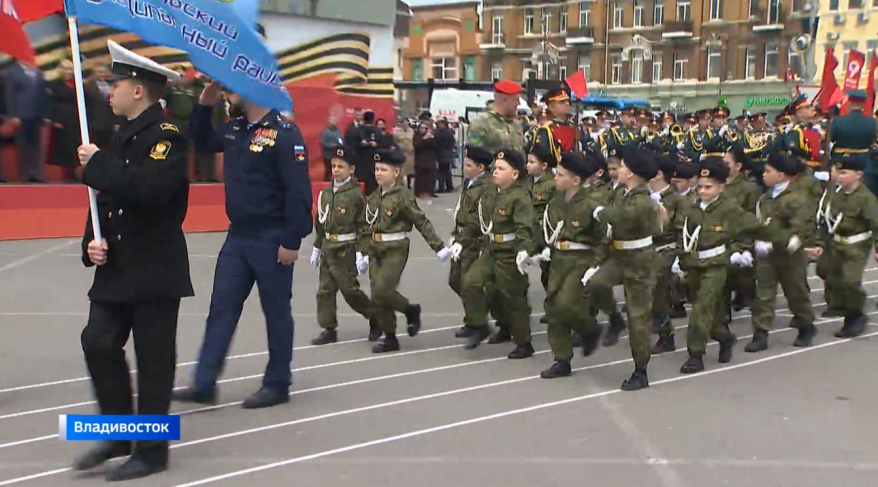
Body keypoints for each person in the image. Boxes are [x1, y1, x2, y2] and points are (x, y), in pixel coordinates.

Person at [72, 40, 193, 481]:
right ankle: (119, 431)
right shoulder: (121, 135)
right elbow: (106, 199)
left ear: (138, 90)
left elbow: (149, 190)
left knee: (154, 360)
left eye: (116, 84)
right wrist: (92, 241)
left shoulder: (167, 137)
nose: (110, 91)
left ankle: (152, 451)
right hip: (119, 264)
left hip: (154, 265)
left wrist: (99, 164)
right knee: (97, 341)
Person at [173, 78, 313, 409]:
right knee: (221, 308)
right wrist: (204, 103)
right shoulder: (236, 129)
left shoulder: (284, 134)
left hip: (272, 236)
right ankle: (204, 383)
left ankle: (277, 382)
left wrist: (292, 240)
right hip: (238, 236)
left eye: (231, 88)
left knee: (276, 312)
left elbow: (298, 193)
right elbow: (201, 140)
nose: (227, 92)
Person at [583, 148, 661, 391]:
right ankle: (615, 319)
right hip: (618, 254)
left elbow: (623, 217)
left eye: (624, 166)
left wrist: (600, 212)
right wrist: (597, 262)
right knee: (596, 284)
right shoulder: (620, 192)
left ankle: (641, 370)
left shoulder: (643, 199)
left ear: (633, 173)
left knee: (638, 317)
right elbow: (610, 232)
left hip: (640, 260)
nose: (619, 169)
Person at [672, 159, 757, 373]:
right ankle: (724, 336)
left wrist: (737, 252)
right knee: (704, 309)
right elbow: (683, 235)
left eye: (708, 187)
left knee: (701, 308)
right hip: (693, 264)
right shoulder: (691, 208)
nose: (703, 191)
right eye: (700, 186)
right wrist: (680, 259)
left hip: (716, 265)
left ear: (721, 187)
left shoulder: (729, 209)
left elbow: (746, 233)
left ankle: (695, 355)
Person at [363, 149, 451, 353]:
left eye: (383, 169)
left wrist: (438, 247)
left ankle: (410, 310)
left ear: (396, 172)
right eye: (376, 169)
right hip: (375, 249)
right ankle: (390, 337)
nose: (378, 173)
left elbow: (421, 221)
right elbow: (367, 225)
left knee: (383, 290)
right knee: (378, 295)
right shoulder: (374, 196)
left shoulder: (403, 196)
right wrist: (363, 252)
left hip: (395, 248)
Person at [459, 149, 536, 358]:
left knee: (512, 298)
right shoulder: (492, 192)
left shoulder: (519, 196)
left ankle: (524, 342)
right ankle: (479, 325)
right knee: (470, 282)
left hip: (510, 253)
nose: (495, 171)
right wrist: (460, 241)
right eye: (495, 168)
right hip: (491, 248)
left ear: (514, 174)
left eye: (501, 169)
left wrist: (524, 251)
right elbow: (478, 220)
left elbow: (525, 227)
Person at [539, 152, 605, 378]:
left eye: (561, 175)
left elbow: (605, 237)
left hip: (581, 260)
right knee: (553, 308)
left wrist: (598, 263)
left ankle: (589, 329)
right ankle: (561, 359)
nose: (555, 178)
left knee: (567, 304)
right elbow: (549, 228)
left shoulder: (591, 204)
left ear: (575, 180)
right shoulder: (556, 202)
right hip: (559, 259)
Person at [808, 136, 878, 338]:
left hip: (856, 246)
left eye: (845, 172)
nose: (839, 176)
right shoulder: (837, 196)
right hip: (836, 244)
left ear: (858, 175)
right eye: (839, 172)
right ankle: (846, 308)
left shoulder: (866, 198)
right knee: (836, 279)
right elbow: (828, 222)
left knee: (850, 281)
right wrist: (820, 244)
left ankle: (855, 318)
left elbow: (875, 223)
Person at [746, 153, 815, 352]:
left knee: (795, 293)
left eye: (768, 171)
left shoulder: (796, 198)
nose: (764, 174)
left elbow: (802, 225)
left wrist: (787, 241)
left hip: (790, 255)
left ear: (782, 175)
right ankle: (760, 333)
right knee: (763, 295)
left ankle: (806, 325)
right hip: (766, 255)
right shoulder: (765, 198)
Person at [310, 146, 377, 345]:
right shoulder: (326, 194)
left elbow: (363, 226)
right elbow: (321, 222)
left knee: (349, 290)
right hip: (328, 247)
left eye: (341, 166)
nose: (336, 170)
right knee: (325, 291)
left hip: (346, 249)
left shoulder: (355, 195)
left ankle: (375, 317)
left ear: (351, 169)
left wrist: (362, 252)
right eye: (333, 166)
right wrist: (317, 247)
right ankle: (328, 328)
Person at [648, 156, 684, 354]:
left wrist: (679, 256)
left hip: (665, 250)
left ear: (659, 174)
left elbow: (680, 229)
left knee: (657, 292)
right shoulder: (644, 196)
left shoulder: (676, 199)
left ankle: (665, 335)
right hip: (645, 250)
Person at [4, 58, 48, 182]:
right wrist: (13, 115)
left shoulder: (37, 72)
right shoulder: (13, 72)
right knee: (23, 146)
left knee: (36, 146)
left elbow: (42, 95)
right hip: (21, 115)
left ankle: (36, 175)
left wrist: (45, 114)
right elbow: (9, 95)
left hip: (36, 115)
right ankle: (25, 174)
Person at [830, 90, 877, 195]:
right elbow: (873, 140)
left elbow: (830, 139)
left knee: (839, 189)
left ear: (849, 103)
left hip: (842, 159)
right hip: (864, 160)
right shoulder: (872, 122)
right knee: (864, 190)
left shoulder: (838, 121)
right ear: (863, 105)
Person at [467, 79, 525, 153]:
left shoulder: (516, 124)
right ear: (505, 100)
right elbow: (473, 154)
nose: (519, 103)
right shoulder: (481, 124)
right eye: (516, 100)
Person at [320, 115, 344, 182]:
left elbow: (341, 141)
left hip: (337, 156)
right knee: (329, 172)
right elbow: (323, 143)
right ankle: (326, 184)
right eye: (332, 120)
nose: (334, 121)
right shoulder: (325, 132)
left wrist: (341, 145)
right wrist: (333, 145)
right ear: (329, 121)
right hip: (328, 156)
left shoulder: (338, 132)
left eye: (335, 120)